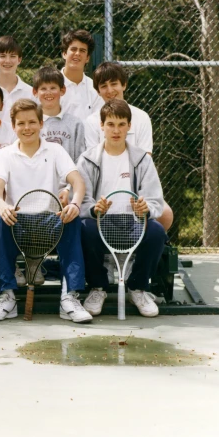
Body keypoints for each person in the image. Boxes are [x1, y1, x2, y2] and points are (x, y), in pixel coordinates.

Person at [0, 99, 92, 323]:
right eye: (21, 123)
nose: (27, 128)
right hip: (18, 223)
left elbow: (78, 182)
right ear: (13, 126)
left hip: (50, 222)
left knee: (72, 220)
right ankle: (7, 297)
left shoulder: (55, 150)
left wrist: (74, 204)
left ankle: (69, 297)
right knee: (0, 221)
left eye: (32, 122)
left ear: (41, 123)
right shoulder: (5, 154)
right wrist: (2, 205)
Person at [77, 99, 167, 318]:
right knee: (84, 229)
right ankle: (98, 287)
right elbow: (79, 200)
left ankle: (138, 288)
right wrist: (94, 209)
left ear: (129, 126)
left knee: (156, 232)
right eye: (110, 124)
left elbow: (156, 200)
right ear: (102, 125)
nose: (116, 130)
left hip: (133, 223)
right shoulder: (87, 159)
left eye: (121, 124)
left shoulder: (141, 160)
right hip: (101, 223)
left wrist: (145, 209)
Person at [83, 62, 173, 230]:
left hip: (136, 186)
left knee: (165, 214)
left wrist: (139, 200)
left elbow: (146, 160)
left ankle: (141, 246)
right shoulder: (91, 122)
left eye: (114, 84)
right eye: (104, 86)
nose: (110, 90)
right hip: (104, 188)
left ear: (124, 84)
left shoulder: (142, 117)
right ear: (98, 91)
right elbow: (95, 162)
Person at [34, 66, 86, 162]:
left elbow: (80, 159)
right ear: (35, 92)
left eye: (53, 88)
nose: (48, 92)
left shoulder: (75, 124)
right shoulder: (31, 123)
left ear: (62, 90)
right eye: (43, 88)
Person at [0, 35, 35, 126]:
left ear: (19, 60)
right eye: (2, 56)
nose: (7, 61)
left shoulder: (31, 93)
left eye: (12, 56)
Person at [59, 29, 103, 121]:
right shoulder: (49, 86)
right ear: (64, 53)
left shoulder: (94, 89)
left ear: (87, 58)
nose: (77, 53)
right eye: (73, 49)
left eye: (82, 50)